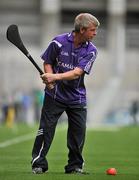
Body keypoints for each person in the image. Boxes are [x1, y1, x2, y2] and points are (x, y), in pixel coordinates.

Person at [31, 13, 100, 174]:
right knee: (45, 130)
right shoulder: (58, 42)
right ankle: (38, 163)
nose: (95, 33)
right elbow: (48, 62)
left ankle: (74, 165)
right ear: (82, 29)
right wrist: (49, 81)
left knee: (78, 133)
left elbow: (77, 73)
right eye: (93, 30)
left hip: (77, 97)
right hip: (54, 95)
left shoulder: (91, 50)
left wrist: (53, 76)